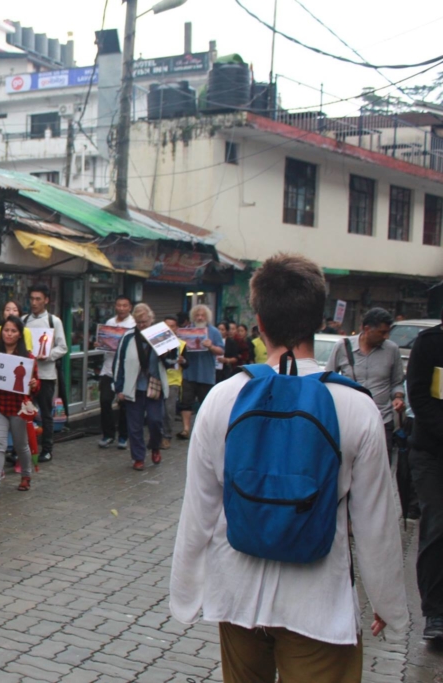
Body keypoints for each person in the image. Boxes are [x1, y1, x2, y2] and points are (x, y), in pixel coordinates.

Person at [170, 253, 407, 683]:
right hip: (318, 604)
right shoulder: (356, 406)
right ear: (320, 320)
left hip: (236, 596)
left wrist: (186, 594)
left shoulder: (222, 399)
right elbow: (378, 520)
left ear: (259, 323)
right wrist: (389, 603)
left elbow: (199, 510)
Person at [325, 308, 405, 464]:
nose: (386, 337)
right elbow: (328, 379)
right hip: (351, 421)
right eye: (382, 332)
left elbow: (397, 383)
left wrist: (398, 397)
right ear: (367, 329)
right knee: (349, 468)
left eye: (387, 332)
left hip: (382, 421)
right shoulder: (342, 347)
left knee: (381, 471)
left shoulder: (392, 350)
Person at [406, 310, 443, 640]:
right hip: (431, 453)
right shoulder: (430, 344)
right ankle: (435, 613)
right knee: (437, 523)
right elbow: (418, 395)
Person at [0, 316, 38, 498]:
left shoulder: (29, 358)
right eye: (6, 330)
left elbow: (36, 385)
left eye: (13, 331)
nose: (9, 334)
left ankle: (26, 476)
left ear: (20, 335)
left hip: (18, 408)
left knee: (21, 445)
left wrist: (33, 383)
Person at [114, 304, 172, 471]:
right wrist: (119, 388)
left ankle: (155, 446)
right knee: (135, 425)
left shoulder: (160, 334)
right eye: (139, 322)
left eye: (145, 322)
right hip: (134, 387)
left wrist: (168, 355)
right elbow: (119, 363)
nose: (142, 325)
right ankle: (138, 457)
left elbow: (172, 360)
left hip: (155, 386)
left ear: (151, 320)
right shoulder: (128, 337)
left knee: (155, 420)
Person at [22, 284, 67, 462]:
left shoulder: (53, 321)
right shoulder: (24, 320)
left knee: (46, 413)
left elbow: (63, 347)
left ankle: (47, 448)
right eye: (32, 299)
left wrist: (47, 356)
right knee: (24, 411)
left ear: (46, 300)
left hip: (46, 375)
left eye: (38, 299)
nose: (34, 302)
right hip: (26, 375)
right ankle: (22, 448)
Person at [96, 295, 135, 450]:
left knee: (124, 404)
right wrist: (100, 343)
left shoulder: (133, 324)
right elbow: (105, 342)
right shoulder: (110, 323)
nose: (121, 308)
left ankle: (123, 436)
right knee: (105, 401)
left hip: (125, 371)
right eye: (119, 305)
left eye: (125, 305)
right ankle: (108, 435)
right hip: (108, 368)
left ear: (130, 307)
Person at [179, 304, 224, 437]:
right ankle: (186, 429)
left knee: (206, 403)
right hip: (189, 372)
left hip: (206, 374)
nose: (199, 317)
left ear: (207, 317)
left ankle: (203, 430)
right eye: (197, 315)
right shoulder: (186, 330)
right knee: (186, 402)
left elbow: (221, 351)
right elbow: (178, 348)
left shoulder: (214, 331)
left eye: (202, 315)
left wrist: (211, 346)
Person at [161, 314, 187, 451]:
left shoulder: (182, 345)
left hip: (173, 381)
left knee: (169, 410)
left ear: (177, 328)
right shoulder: (156, 342)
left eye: (172, 326)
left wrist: (183, 361)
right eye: (167, 326)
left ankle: (166, 436)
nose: (170, 329)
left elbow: (188, 364)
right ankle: (157, 435)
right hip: (157, 379)